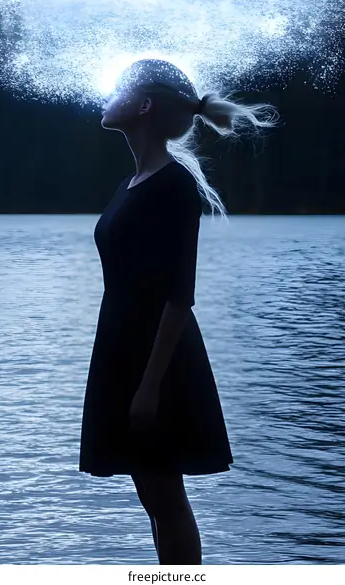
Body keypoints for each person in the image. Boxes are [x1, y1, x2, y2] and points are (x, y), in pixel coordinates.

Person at [78, 58, 278, 564]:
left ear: (144, 106)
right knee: (153, 496)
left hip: (157, 359)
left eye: (120, 88)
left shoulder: (172, 186)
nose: (107, 94)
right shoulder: (133, 183)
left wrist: (149, 385)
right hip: (124, 349)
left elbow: (178, 295)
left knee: (166, 499)